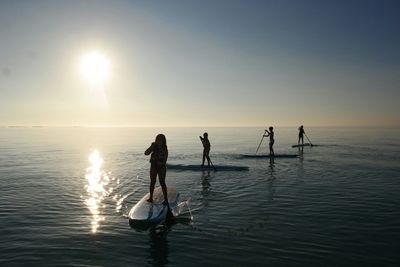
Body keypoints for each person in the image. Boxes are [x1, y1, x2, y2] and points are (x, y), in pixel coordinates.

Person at [145, 134, 169, 205]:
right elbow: (146, 153)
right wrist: (151, 146)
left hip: (161, 168)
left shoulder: (165, 149)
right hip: (153, 167)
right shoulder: (153, 147)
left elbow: (164, 161)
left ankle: (166, 200)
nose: (158, 141)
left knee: (162, 183)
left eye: (160, 140)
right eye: (157, 139)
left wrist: (159, 164)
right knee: (152, 182)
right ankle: (151, 198)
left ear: (163, 141)